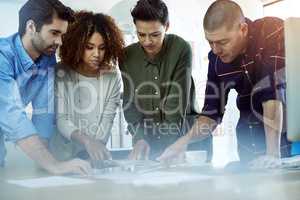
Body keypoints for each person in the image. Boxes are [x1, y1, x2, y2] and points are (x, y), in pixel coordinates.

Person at [158, 0, 291, 168]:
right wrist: (181, 144)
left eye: (222, 42)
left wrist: (272, 155)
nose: (215, 50)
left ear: (243, 29)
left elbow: (271, 93)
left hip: (283, 142)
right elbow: (210, 115)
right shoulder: (216, 60)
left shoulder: (271, 31)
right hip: (248, 144)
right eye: (210, 42)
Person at [0, 0, 91, 174]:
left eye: (62, 35)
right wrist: (53, 165)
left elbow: (44, 112)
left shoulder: (46, 59)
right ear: (31, 27)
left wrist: (45, 166)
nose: (60, 42)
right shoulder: (2, 56)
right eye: (54, 33)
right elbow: (11, 113)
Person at [120, 0, 201, 160]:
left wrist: (164, 152)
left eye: (155, 34)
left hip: (184, 140)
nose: (147, 41)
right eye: (141, 34)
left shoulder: (181, 49)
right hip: (148, 144)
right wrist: (140, 138)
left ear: (167, 26)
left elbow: (175, 106)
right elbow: (130, 104)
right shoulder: (126, 57)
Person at [50, 11, 124, 165]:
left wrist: (94, 153)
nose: (97, 54)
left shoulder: (112, 76)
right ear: (76, 45)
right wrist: (88, 142)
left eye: (102, 48)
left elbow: (107, 121)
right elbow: (62, 120)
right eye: (89, 47)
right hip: (59, 158)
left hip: (92, 159)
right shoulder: (61, 72)